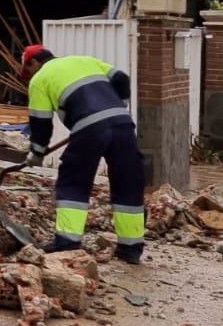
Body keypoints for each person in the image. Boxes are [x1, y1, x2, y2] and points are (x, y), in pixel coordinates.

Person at [21, 44, 147, 263]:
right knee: (128, 184)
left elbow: (41, 122)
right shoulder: (85, 60)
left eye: (28, 70)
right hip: (122, 125)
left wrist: (37, 152)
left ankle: (67, 244)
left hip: (89, 129)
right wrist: (117, 107)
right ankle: (131, 249)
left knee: (74, 182)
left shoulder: (40, 79)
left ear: (33, 63)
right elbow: (122, 79)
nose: (29, 74)